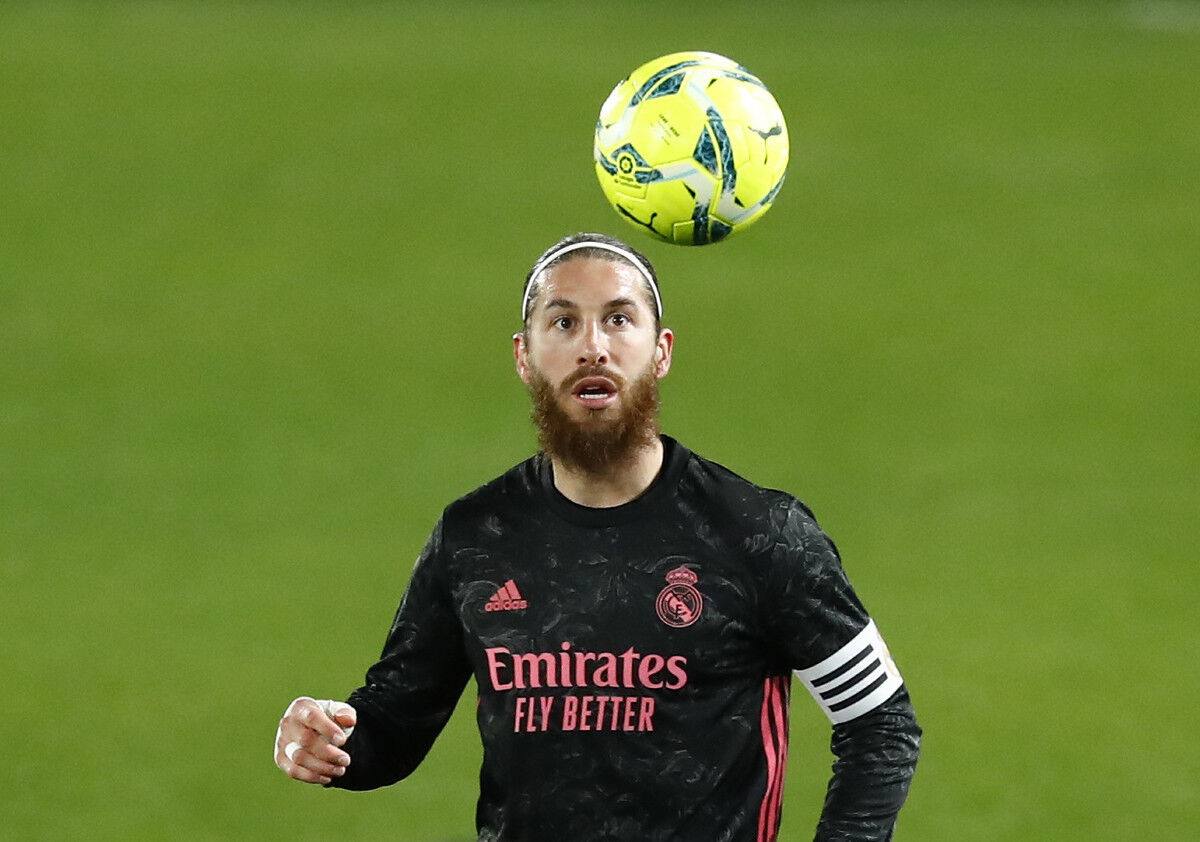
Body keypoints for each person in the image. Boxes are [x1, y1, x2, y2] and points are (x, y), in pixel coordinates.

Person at [274, 232, 921, 841]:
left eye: (618, 319)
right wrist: (334, 741)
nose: (593, 347)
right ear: (524, 357)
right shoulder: (476, 536)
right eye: (563, 323)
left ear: (661, 351)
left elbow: (881, 722)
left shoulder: (760, 534)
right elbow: (394, 723)